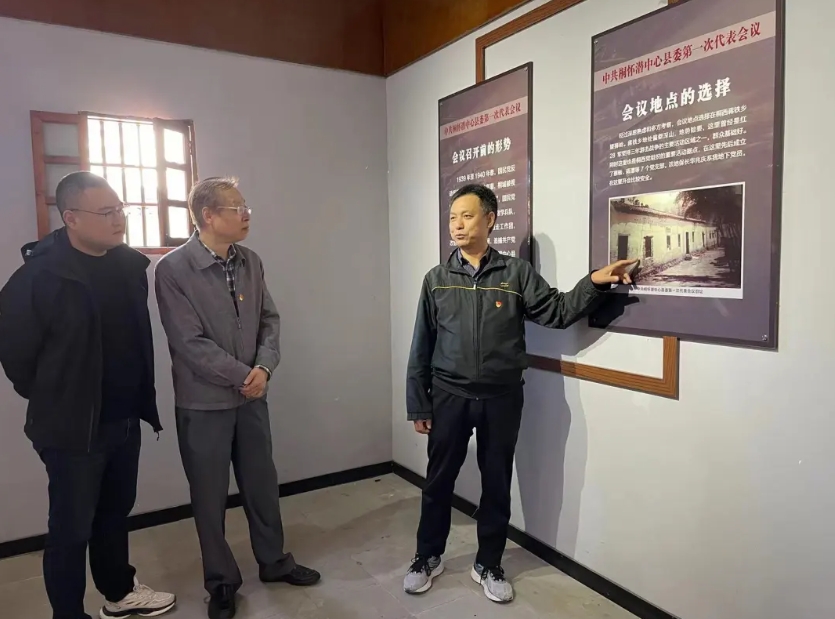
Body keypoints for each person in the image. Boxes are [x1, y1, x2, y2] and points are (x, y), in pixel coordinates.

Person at [402, 184, 635, 603]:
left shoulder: (515, 274)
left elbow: (557, 311)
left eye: (466, 216)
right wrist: (419, 402)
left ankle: (488, 563)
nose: (457, 225)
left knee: (497, 482)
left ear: (490, 219)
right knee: (438, 482)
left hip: (502, 398)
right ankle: (427, 556)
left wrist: (594, 282)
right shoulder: (436, 280)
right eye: (453, 217)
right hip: (449, 396)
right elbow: (422, 344)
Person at [0, 172, 176, 619]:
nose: (119, 219)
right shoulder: (39, 277)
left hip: (123, 417)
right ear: (71, 218)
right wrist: (56, 397)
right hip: (71, 428)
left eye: (120, 209)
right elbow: (15, 353)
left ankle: (119, 593)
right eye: (106, 212)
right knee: (71, 528)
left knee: (114, 513)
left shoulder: (128, 267)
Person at [154, 177, 320, 619]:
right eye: (236, 207)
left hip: (251, 397)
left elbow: (269, 320)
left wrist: (263, 369)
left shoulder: (250, 261)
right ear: (208, 215)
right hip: (203, 403)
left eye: (245, 206)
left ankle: (274, 561)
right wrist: (243, 375)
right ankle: (222, 582)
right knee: (209, 498)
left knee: (262, 484)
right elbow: (188, 342)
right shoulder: (173, 269)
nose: (246, 214)